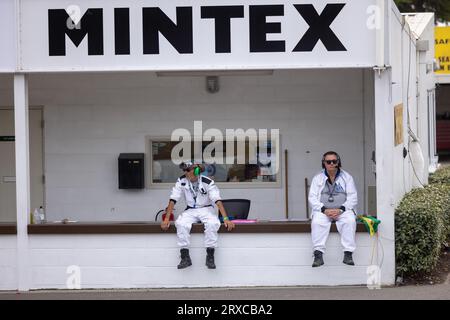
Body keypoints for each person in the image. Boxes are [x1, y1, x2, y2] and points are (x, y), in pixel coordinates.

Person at [160, 161, 235, 269]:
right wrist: (166, 219)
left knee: (212, 223)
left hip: (206, 209)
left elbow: (217, 200)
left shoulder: (207, 182)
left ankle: (210, 256)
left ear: (196, 170)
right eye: (184, 171)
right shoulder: (181, 181)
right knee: (181, 223)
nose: (185, 173)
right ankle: (185, 257)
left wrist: (226, 219)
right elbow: (173, 199)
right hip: (191, 210)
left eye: (188, 170)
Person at [308, 151, 357, 267]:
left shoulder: (347, 177)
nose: (331, 164)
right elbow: (312, 198)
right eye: (328, 161)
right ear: (323, 163)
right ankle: (318, 254)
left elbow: (353, 197)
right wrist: (324, 209)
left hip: (342, 210)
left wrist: (341, 209)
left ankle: (348, 253)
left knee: (349, 221)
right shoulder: (317, 178)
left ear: (338, 163)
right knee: (317, 222)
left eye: (334, 161)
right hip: (323, 211)